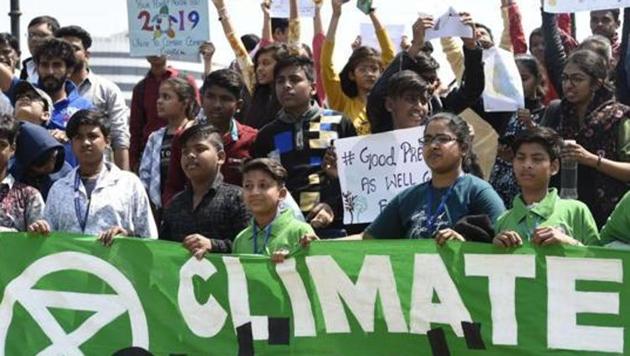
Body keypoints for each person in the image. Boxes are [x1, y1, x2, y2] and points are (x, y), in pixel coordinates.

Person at [251, 55, 357, 233]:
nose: (286, 85)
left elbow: (355, 177)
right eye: (280, 81)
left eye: (295, 79)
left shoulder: (339, 123)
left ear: (313, 88)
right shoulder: (266, 135)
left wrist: (333, 205)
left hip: (335, 227)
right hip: (283, 229)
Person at [361, 112, 505, 241]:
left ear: (464, 148)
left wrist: (464, 245)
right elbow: (367, 239)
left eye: (443, 139)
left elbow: (505, 237)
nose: (433, 146)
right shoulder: (408, 198)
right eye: (427, 139)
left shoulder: (477, 191)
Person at [27, 110, 158, 244]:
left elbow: (150, 239)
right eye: (78, 137)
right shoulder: (59, 189)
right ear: (71, 144)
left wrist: (127, 237)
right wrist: (39, 231)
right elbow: (48, 241)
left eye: (92, 136)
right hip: (70, 263)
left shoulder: (129, 185)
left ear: (107, 141)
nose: (86, 143)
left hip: (115, 264)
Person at [541, 49, 630, 227]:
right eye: (565, 78)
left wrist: (590, 159)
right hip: (565, 213)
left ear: (596, 84)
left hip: (610, 216)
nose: (568, 84)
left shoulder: (618, 117)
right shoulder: (557, 113)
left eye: (577, 79)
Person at [367, 14, 485, 134]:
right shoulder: (382, 112)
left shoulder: (435, 109)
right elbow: (377, 94)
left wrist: (471, 48)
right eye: (411, 98)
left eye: (432, 80)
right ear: (390, 104)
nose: (427, 87)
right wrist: (415, 47)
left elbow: (472, 90)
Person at [493, 127, 599, 247]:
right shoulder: (503, 221)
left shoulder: (576, 211)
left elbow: (601, 260)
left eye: (537, 159)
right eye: (521, 158)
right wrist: (496, 250)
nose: (527, 165)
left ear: (554, 167)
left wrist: (569, 243)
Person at [0, 38, 94, 166]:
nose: (50, 71)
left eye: (56, 65)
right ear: (37, 68)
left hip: (68, 181)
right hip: (23, 181)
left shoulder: (84, 107)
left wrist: (70, 137)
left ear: (69, 70)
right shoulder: (24, 93)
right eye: (44, 65)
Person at [160, 124, 250, 254]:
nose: (190, 155)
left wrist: (214, 245)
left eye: (200, 149)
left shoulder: (238, 198)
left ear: (220, 157)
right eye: (185, 152)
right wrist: (127, 237)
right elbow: (161, 250)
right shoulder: (175, 204)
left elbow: (250, 248)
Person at [55, 25, 131, 170]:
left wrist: (124, 180)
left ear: (87, 55)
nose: (69, 54)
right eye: (64, 49)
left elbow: (120, 138)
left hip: (100, 176)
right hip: (59, 174)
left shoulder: (107, 90)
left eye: (75, 48)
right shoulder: (52, 90)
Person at [321, 0, 395, 135]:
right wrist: (335, 16)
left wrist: (372, 13)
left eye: (374, 69)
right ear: (352, 75)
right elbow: (326, 64)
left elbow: (390, 55)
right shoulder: (342, 103)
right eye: (362, 69)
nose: (369, 74)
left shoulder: (388, 105)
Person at [489, 54, 548, 207]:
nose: (518, 85)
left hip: (528, 193)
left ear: (537, 78)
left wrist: (530, 126)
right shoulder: (503, 111)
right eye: (512, 80)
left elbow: (550, 145)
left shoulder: (547, 112)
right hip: (499, 188)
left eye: (524, 79)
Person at [232, 158, 316, 263]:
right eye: (248, 186)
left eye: (263, 185)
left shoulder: (300, 231)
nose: (254, 192)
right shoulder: (240, 240)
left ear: (281, 194)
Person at [129, 55, 199, 171]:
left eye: (166, 97)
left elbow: (197, 113)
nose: (160, 101)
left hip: (186, 148)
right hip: (151, 155)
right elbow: (135, 129)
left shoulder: (185, 81)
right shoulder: (140, 88)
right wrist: (134, 163)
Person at [139, 77, 198, 210]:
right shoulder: (155, 138)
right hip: (162, 208)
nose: (159, 101)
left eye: (166, 97)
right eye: (159, 97)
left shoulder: (197, 133)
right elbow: (145, 174)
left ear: (185, 102)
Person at [0, 115, 45, 232]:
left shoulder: (29, 197)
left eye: (1, 145)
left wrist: (38, 230)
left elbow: (40, 244)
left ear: (12, 149)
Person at [10, 121, 72, 200]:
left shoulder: (66, 174)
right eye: (41, 161)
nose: (47, 166)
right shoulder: (12, 175)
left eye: (51, 157)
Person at [20, 16, 60, 83]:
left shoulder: (65, 68)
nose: (34, 39)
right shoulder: (27, 69)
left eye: (42, 35)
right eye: (31, 35)